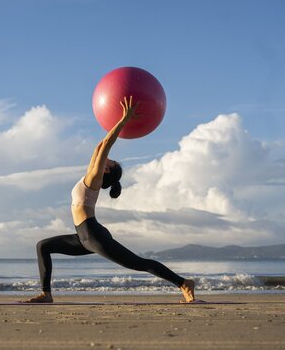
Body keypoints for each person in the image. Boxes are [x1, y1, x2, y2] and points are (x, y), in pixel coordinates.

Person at [26, 96, 195, 303]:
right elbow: (99, 147)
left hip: (94, 235)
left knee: (138, 263)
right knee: (43, 245)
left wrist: (124, 120)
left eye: (111, 160)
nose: (106, 157)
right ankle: (46, 293)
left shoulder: (94, 179)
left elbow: (107, 143)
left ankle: (183, 282)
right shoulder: (91, 174)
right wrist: (113, 118)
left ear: (108, 169)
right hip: (82, 237)